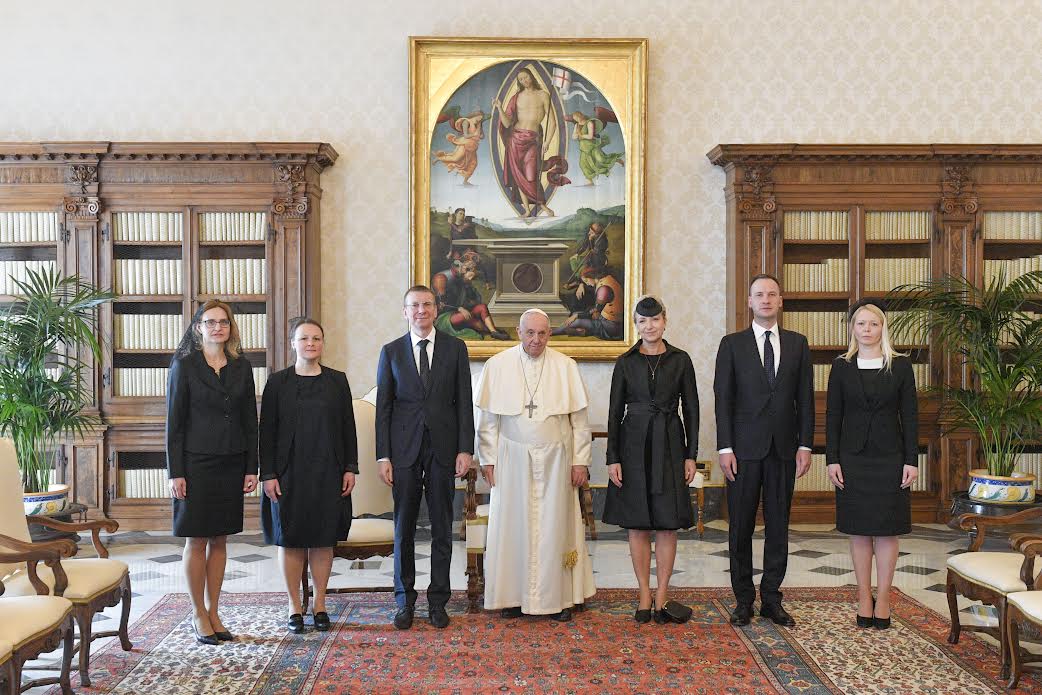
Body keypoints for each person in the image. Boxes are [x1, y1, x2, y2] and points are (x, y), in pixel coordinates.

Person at [474, 308, 596, 621]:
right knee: (513, 526)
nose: (536, 340)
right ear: (519, 332)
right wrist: (488, 459)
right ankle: (512, 597)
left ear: (550, 334)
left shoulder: (565, 366)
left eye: (542, 333)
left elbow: (580, 422)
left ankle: (560, 599)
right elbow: (488, 421)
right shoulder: (497, 365)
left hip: (557, 461)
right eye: (530, 333)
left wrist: (580, 461)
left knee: (556, 527)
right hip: (511, 460)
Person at [714, 274, 814, 628]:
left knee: (778, 526)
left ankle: (771, 598)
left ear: (780, 301)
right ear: (750, 302)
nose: (766, 300)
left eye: (772, 294)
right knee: (740, 527)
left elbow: (805, 398)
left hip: (784, 449)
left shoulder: (798, 344)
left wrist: (805, 444)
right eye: (759, 294)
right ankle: (743, 600)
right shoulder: (732, 344)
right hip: (742, 451)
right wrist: (725, 447)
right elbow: (723, 399)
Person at [376, 285, 474, 630]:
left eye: (427, 304)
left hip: (443, 449)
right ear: (405, 312)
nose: (421, 310)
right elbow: (384, 409)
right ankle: (404, 601)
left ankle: (438, 601)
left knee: (442, 527)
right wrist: (383, 456)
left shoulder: (455, 348)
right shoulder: (391, 352)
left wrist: (465, 449)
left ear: (436, 309)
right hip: (403, 451)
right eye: (414, 305)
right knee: (403, 527)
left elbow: (464, 402)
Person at [166, 300, 258, 645]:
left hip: (231, 462)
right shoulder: (185, 365)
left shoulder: (241, 366)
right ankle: (197, 613)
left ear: (231, 328)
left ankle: (214, 610)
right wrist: (175, 472)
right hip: (195, 464)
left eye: (223, 322)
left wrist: (251, 467)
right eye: (210, 322)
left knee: (220, 539)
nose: (218, 327)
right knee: (197, 538)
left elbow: (250, 420)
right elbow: (174, 423)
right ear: (198, 328)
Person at [259, 317, 357, 634]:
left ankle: (320, 604)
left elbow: (348, 428)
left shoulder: (337, 381)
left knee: (322, 540)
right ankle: (294, 606)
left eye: (316, 338)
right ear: (293, 344)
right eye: (304, 338)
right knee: (290, 539)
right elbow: (266, 432)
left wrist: (350, 467)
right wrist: (268, 474)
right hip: (287, 474)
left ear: (323, 343)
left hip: (328, 471)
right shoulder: (277, 382)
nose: (310, 343)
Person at [603, 296, 698, 623]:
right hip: (633, 446)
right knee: (638, 523)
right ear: (636, 325)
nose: (649, 326)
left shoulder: (681, 360)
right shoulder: (625, 362)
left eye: (655, 320)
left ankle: (662, 594)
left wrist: (691, 455)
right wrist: (612, 457)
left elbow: (692, 410)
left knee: (668, 523)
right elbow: (614, 413)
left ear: (665, 321)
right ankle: (644, 592)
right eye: (643, 321)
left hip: (670, 444)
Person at [826, 299, 918, 630]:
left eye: (873, 324)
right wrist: (832, 459)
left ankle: (885, 598)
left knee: (888, 529)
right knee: (859, 529)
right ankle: (864, 598)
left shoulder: (901, 365)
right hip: (852, 458)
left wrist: (911, 460)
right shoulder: (841, 366)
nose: (867, 329)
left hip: (891, 458)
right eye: (861, 324)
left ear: (883, 328)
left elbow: (910, 415)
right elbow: (833, 415)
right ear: (853, 328)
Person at [493, 67, 558, 218]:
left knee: (530, 175)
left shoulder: (543, 95)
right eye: (521, 79)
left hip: (532, 140)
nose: (524, 81)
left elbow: (553, 122)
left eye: (526, 77)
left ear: (531, 76)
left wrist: (547, 142)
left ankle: (543, 206)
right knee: (518, 176)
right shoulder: (516, 97)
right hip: (515, 140)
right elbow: (507, 123)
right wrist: (499, 108)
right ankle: (527, 210)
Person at [553, 267, 623, 339]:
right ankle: (582, 331)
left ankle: (552, 332)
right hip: (606, 319)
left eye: (586, 281)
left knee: (577, 321)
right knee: (576, 315)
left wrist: (577, 316)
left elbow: (596, 310)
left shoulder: (603, 289)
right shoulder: (606, 279)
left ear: (592, 276)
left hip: (610, 326)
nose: (587, 283)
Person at [569, 110, 624, 185]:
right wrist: (576, 135)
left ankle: (616, 160)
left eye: (577, 117)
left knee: (601, 159)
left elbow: (590, 136)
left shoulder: (589, 123)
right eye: (575, 119)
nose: (577, 120)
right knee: (583, 164)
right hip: (584, 147)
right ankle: (590, 181)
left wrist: (581, 136)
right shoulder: (577, 125)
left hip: (592, 146)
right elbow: (573, 137)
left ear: (581, 115)